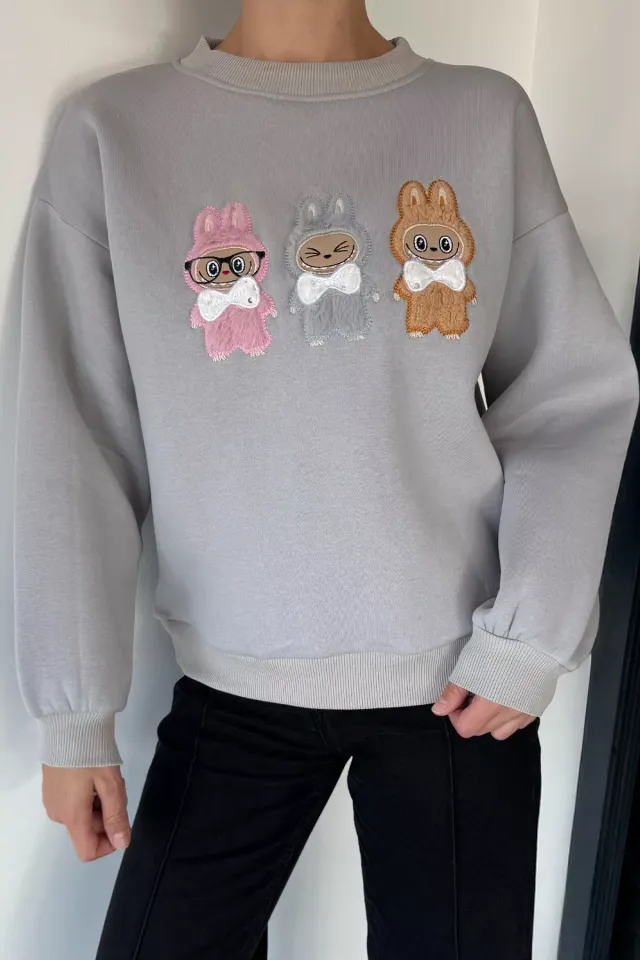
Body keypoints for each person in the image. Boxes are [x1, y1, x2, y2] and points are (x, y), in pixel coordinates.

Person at [14, 0, 638, 957]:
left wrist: (531, 638)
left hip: (461, 686)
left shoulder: (484, 117)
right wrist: (74, 715)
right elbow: (74, 438)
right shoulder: (115, 131)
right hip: (232, 683)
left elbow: (567, 396)